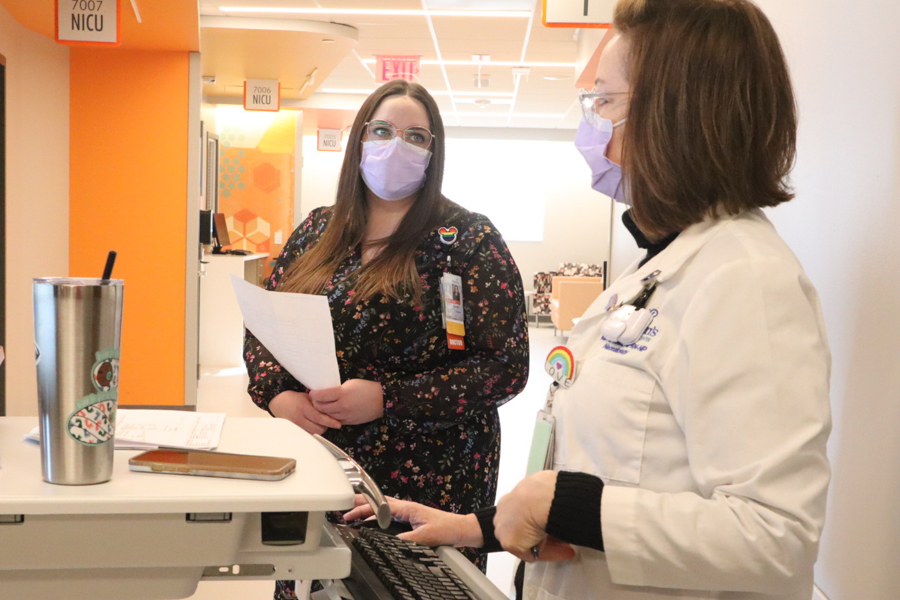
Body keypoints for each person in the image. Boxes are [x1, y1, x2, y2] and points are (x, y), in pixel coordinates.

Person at [345, 1, 832, 599]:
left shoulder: (746, 280)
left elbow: (777, 538)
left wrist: (563, 502)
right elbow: (627, 472)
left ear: (673, 114)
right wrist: (480, 527)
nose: (592, 122)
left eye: (604, 100)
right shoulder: (660, 265)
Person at [243, 79, 529, 597]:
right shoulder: (318, 230)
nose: (396, 146)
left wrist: (388, 399)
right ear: (359, 140)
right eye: (382, 130)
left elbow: (504, 367)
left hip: (429, 478)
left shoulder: (468, 240)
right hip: (322, 465)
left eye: (416, 136)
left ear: (433, 152)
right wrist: (276, 395)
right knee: (315, 582)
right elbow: (264, 325)